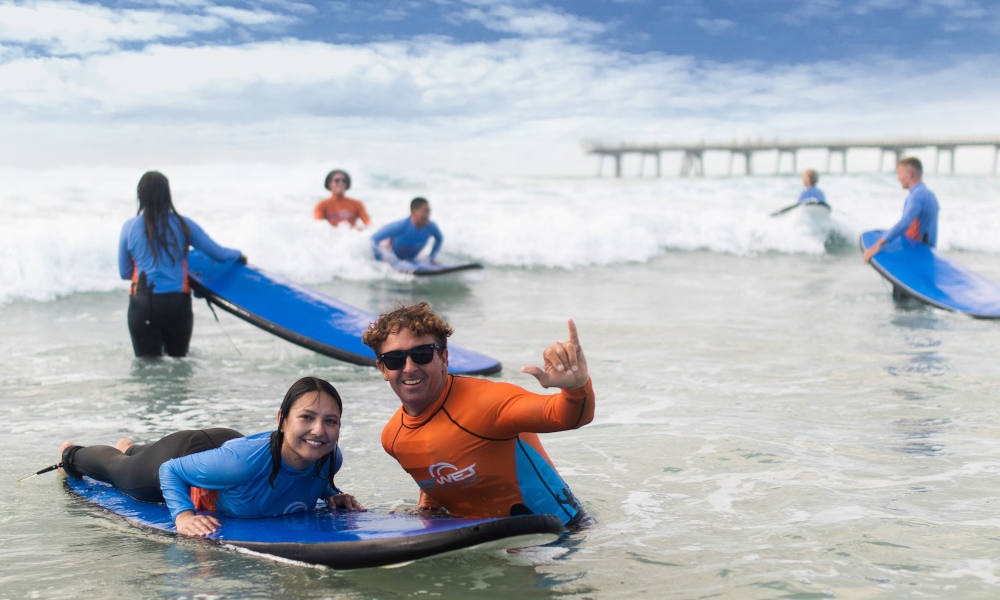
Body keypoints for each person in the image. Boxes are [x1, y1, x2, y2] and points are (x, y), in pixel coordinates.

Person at [362, 302, 595, 527]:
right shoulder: (393, 437)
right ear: (383, 369)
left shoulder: (488, 402)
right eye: (394, 360)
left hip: (556, 539)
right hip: (479, 542)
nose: (410, 367)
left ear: (443, 358)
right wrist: (426, 508)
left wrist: (576, 388)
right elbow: (435, 468)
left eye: (422, 354)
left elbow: (567, 416)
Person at [58, 376, 366, 537]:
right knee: (123, 474)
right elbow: (171, 470)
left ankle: (132, 446)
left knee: (139, 458)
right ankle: (72, 453)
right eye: (307, 418)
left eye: (330, 421)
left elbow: (305, 478)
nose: (318, 431)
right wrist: (183, 515)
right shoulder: (241, 464)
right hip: (189, 453)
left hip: (224, 452)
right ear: (282, 419)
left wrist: (331, 494)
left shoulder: (328, 458)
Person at [118, 171, 246, 357]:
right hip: (176, 306)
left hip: (143, 305)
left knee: (147, 369)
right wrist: (239, 255)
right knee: (179, 365)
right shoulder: (184, 225)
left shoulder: (129, 227)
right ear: (167, 195)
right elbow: (218, 253)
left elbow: (124, 272)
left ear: (140, 196)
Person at [863, 157, 939, 263]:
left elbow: (905, 223)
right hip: (927, 252)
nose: (898, 178)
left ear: (909, 174)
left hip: (916, 254)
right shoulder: (930, 195)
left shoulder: (917, 195)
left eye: (899, 174)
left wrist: (879, 244)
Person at [369, 197, 443, 264]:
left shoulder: (431, 227)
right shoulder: (401, 226)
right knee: (385, 244)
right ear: (413, 212)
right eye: (425, 211)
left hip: (411, 260)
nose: (428, 215)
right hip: (392, 257)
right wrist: (379, 260)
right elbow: (374, 239)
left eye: (429, 211)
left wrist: (431, 257)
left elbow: (439, 239)